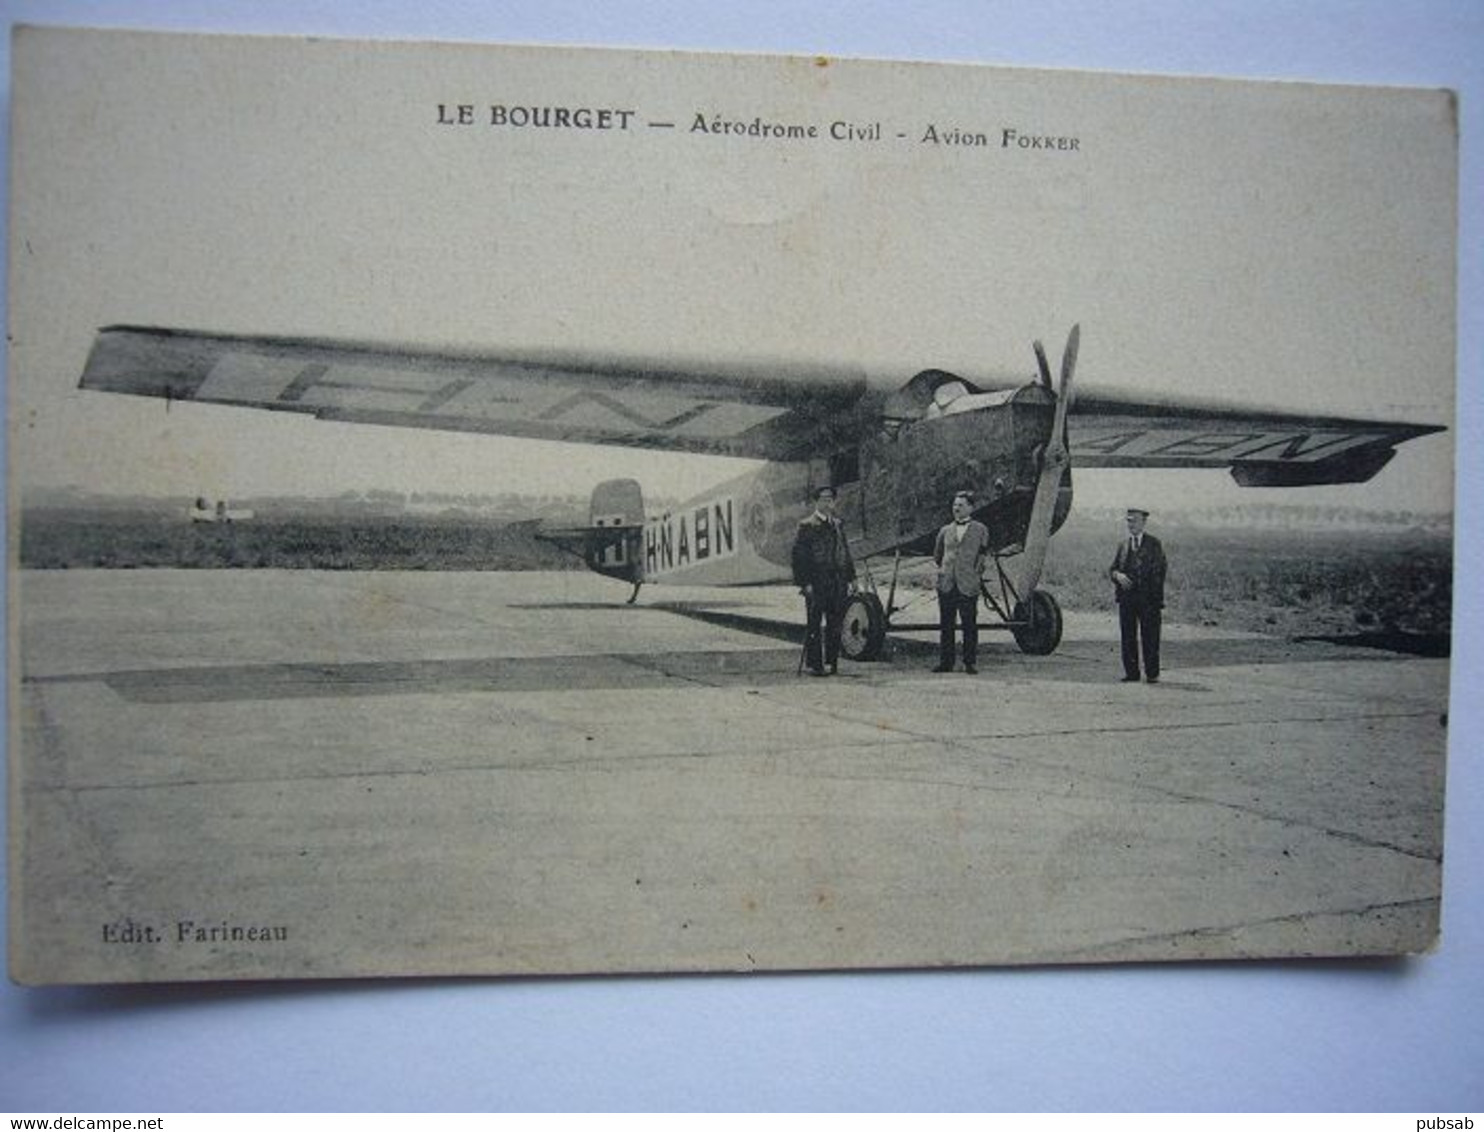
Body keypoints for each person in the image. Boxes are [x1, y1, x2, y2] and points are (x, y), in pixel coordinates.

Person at [791, 485, 856, 676]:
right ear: (817, 502)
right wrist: (805, 583)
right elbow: (799, 558)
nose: (828, 502)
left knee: (835, 623)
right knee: (814, 624)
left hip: (837, 581)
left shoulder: (838, 524)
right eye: (824, 498)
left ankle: (832, 662)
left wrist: (852, 578)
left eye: (831, 499)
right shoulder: (807, 525)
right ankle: (815, 664)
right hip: (817, 582)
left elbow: (845, 552)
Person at [932, 491, 992, 674]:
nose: (956, 508)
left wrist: (973, 575)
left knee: (969, 625)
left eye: (961, 505)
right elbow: (938, 555)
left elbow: (982, 558)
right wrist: (945, 571)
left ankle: (969, 663)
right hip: (947, 583)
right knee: (946, 625)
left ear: (971, 508)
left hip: (968, 584)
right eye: (955, 505)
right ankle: (946, 662)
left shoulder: (981, 530)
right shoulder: (944, 530)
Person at [1109, 507, 1168, 683]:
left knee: (1150, 637)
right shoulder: (1123, 545)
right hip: (1127, 600)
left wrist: (1151, 596)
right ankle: (1132, 674)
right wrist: (1117, 575)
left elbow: (1160, 570)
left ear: (1143, 522)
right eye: (1128, 520)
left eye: (1134, 520)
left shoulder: (1154, 544)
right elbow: (1112, 569)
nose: (1131, 524)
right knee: (1128, 637)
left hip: (1148, 600)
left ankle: (1152, 674)